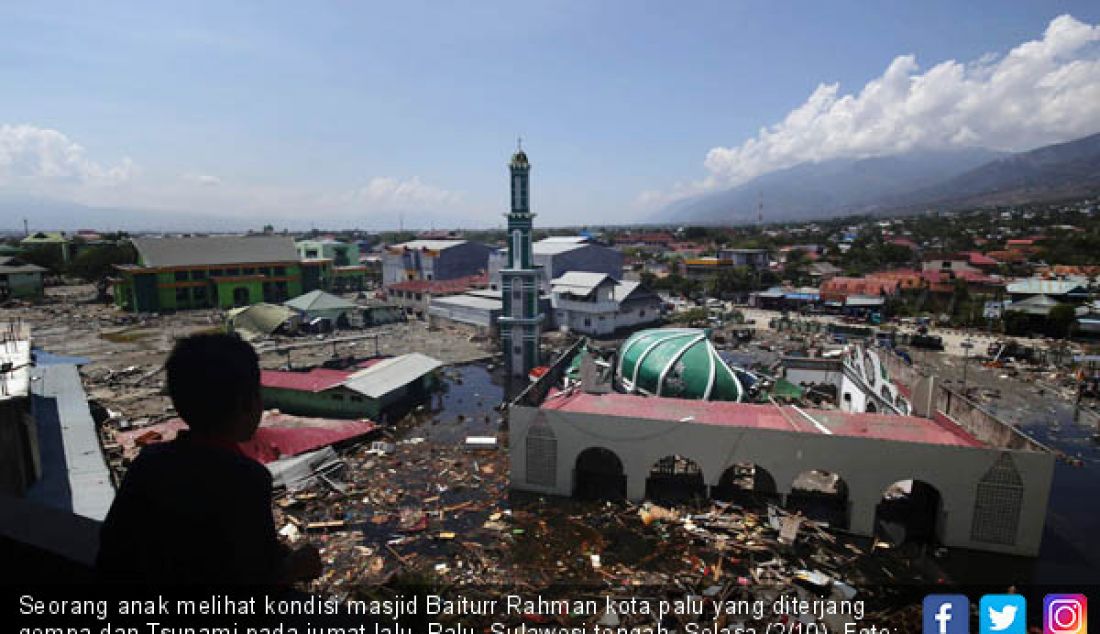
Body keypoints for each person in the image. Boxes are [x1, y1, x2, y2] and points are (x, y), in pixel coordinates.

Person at [96, 333, 322, 584]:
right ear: (247, 404)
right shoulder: (244, 479)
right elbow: (253, 585)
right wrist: (296, 567)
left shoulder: (149, 462)